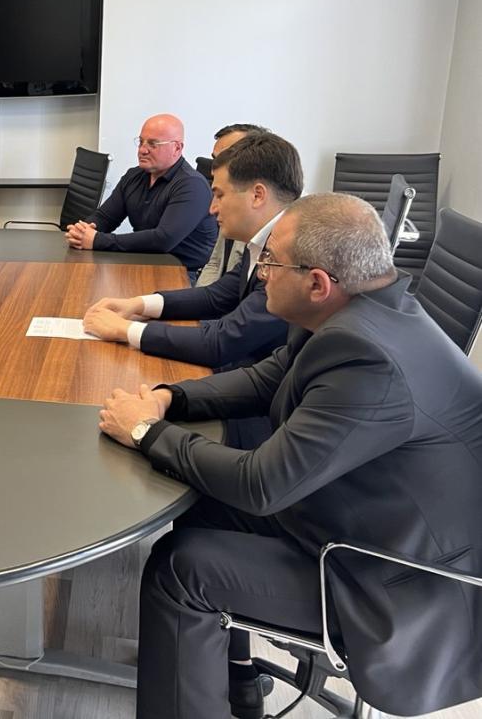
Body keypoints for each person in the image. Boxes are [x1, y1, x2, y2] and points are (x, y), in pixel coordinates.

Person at [98, 193, 482, 719]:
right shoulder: (354, 311)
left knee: (181, 570)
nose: (259, 275)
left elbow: (261, 486)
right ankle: (230, 677)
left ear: (318, 283)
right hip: (356, 517)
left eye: (270, 262)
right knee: (197, 502)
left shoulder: (369, 359)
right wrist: (171, 398)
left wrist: (145, 430)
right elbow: (267, 378)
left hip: (397, 582)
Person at [83, 131, 301, 373]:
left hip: (259, 384)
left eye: (219, 195)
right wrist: (138, 304)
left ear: (257, 195)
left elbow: (221, 343)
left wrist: (125, 330)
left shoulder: (290, 258)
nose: (212, 209)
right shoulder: (263, 242)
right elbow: (216, 297)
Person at [65, 113, 218, 283]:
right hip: (145, 261)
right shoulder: (134, 176)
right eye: (141, 142)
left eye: (153, 144)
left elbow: (163, 239)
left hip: (183, 272)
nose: (142, 150)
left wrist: (97, 240)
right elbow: (106, 217)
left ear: (177, 148)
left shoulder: (192, 185)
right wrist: (83, 230)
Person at [195, 123, 268, 287]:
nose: (215, 166)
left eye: (226, 157)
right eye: (215, 159)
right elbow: (214, 264)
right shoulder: (231, 200)